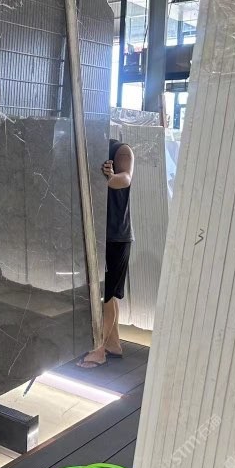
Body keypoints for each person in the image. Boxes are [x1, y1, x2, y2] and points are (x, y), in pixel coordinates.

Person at [78, 138, 134, 368]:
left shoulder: (121, 150)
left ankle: (98, 350)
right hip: (103, 234)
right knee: (108, 294)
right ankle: (113, 344)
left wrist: (110, 178)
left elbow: (126, 178)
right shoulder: (89, 146)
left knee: (105, 295)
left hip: (115, 236)